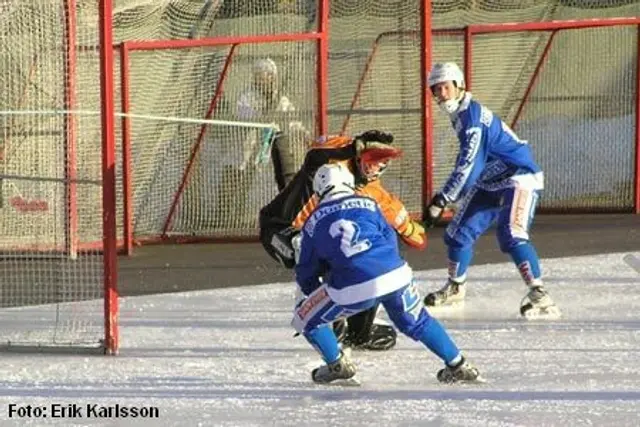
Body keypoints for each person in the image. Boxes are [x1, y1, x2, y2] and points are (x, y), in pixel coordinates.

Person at [292, 163, 481, 384]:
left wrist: (322, 291)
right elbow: (390, 238)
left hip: (352, 286)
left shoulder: (313, 222)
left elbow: (306, 272)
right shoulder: (370, 204)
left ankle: (336, 365)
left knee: (305, 318)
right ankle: (458, 364)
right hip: (395, 273)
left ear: (318, 190)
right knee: (418, 321)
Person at [259, 130, 426, 351]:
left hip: (320, 238)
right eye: (370, 159)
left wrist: (410, 228)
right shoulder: (332, 164)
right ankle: (318, 316)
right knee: (303, 249)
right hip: (281, 229)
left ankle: (359, 331)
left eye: (380, 162)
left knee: (364, 260)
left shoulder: (379, 197)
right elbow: (316, 155)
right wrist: (353, 147)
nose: (373, 167)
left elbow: (418, 239)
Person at [422, 62, 560, 319]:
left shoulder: (471, 118)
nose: (441, 94)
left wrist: (443, 199)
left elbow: (468, 164)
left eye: (445, 88)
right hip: (491, 179)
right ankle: (456, 287)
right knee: (457, 234)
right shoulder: (462, 113)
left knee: (512, 234)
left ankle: (540, 294)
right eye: (436, 89)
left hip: (518, 176)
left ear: (460, 85)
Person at [215, 57, 309, 226]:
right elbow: (245, 114)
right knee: (232, 180)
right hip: (243, 148)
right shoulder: (247, 97)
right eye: (259, 75)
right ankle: (221, 217)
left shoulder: (281, 99)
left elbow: (294, 122)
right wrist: (265, 116)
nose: (264, 79)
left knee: (249, 185)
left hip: (263, 151)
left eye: (267, 75)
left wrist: (304, 134)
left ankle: (246, 217)